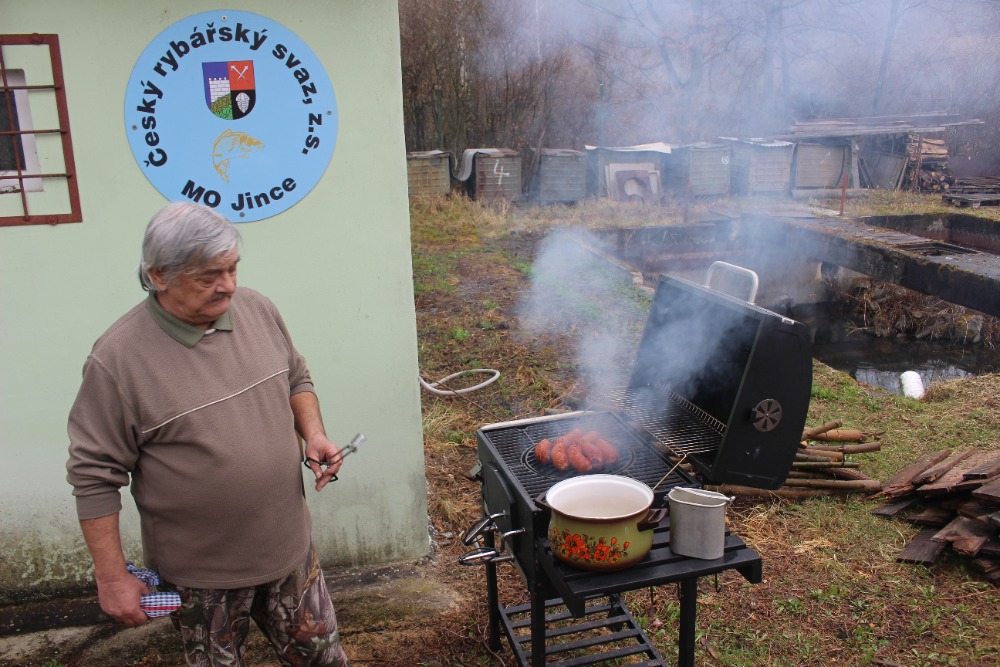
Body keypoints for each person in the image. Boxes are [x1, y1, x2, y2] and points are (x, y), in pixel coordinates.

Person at [66, 201, 350, 667]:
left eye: (232, 268)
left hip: (290, 553)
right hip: (202, 579)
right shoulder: (117, 360)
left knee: (324, 661)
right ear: (159, 275)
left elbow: (297, 378)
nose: (228, 285)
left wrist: (314, 433)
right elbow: (94, 476)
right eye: (208, 276)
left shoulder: (258, 309)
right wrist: (112, 577)